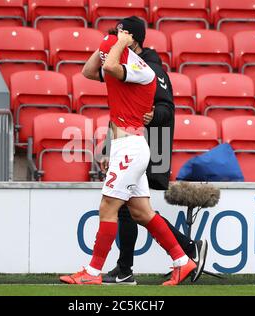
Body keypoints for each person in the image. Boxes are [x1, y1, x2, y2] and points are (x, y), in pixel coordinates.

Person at [60, 29, 196, 286]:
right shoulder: (121, 67)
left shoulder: (142, 70)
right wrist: (104, 47)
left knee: (107, 208)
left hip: (130, 149)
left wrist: (120, 43)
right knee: (142, 212)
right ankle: (182, 261)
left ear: (130, 44)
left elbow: (110, 64)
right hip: (129, 147)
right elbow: (88, 72)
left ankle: (92, 272)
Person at [98, 17, 208, 286]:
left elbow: (167, 110)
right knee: (136, 210)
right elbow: (120, 109)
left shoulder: (152, 69)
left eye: (123, 32)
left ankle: (130, 267)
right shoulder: (126, 61)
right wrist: (107, 147)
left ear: (133, 38)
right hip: (128, 143)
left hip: (148, 144)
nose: (118, 36)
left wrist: (153, 115)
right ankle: (183, 251)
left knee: (128, 209)